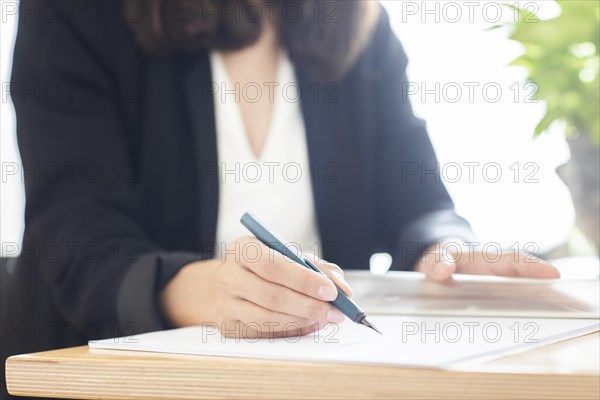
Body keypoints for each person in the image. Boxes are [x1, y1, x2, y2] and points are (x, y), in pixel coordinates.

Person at [3, 0, 559, 396]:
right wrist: (215, 294)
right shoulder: (74, 11)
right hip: (114, 377)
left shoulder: (362, 25)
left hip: (319, 378)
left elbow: (418, 200)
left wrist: (449, 247)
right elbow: (79, 243)